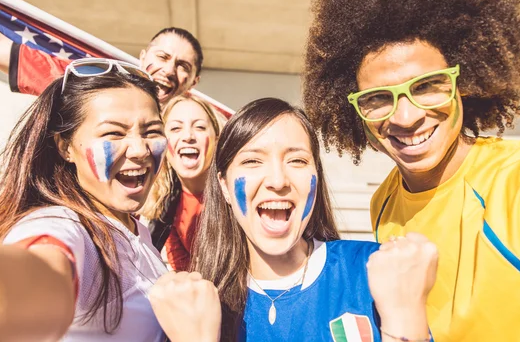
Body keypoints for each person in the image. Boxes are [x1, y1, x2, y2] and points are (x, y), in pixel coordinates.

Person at [302, 0, 520, 341]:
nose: (405, 117)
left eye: (426, 86)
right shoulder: (384, 201)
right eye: (377, 98)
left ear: (464, 83)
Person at [151, 98, 438, 341]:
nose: (277, 180)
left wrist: (405, 317)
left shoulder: (372, 270)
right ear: (224, 185)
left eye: (297, 160)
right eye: (252, 161)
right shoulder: (195, 307)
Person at [0, 59, 171, 340]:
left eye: (152, 131)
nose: (140, 149)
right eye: (113, 133)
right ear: (65, 147)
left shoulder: (135, 229)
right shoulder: (63, 224)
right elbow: (41, 274)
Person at [0, 11, 203, 104]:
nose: (169, 70)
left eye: (183, 66)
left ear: (194, 82)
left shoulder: (199, 137)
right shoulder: (92, 84)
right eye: (162, 56)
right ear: (143, 57)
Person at [141, 95, 221, 270]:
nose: (188, 136)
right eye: (176, 128)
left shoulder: (233, 195)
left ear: (216, 138)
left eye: (200, 127)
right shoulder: (165, 203)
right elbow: (183, 270)